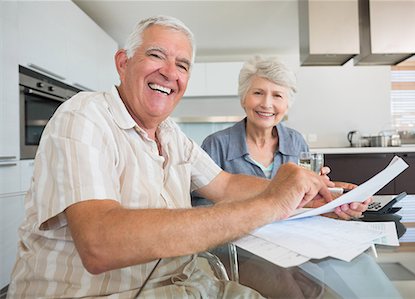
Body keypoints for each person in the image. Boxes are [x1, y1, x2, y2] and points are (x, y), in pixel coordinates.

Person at [7, 16, 368, 299]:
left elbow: (224, 183)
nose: (170, 72)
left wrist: (311, 197)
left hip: (183, 284)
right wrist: (272, 202)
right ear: (123, 62)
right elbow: (100, 243)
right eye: (156, 55)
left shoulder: (170, 133)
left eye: (182, 64)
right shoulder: (83, 115)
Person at [193, 56, 371, 298]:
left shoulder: (296, 142)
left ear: (287, 104)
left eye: (277, 95)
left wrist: (333, 199)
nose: (267, 103)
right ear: (244, 98)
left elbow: (307, 198)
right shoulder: (216, 144)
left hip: (293, 245)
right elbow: (200, 208)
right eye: (258, 92)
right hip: (239, 251)